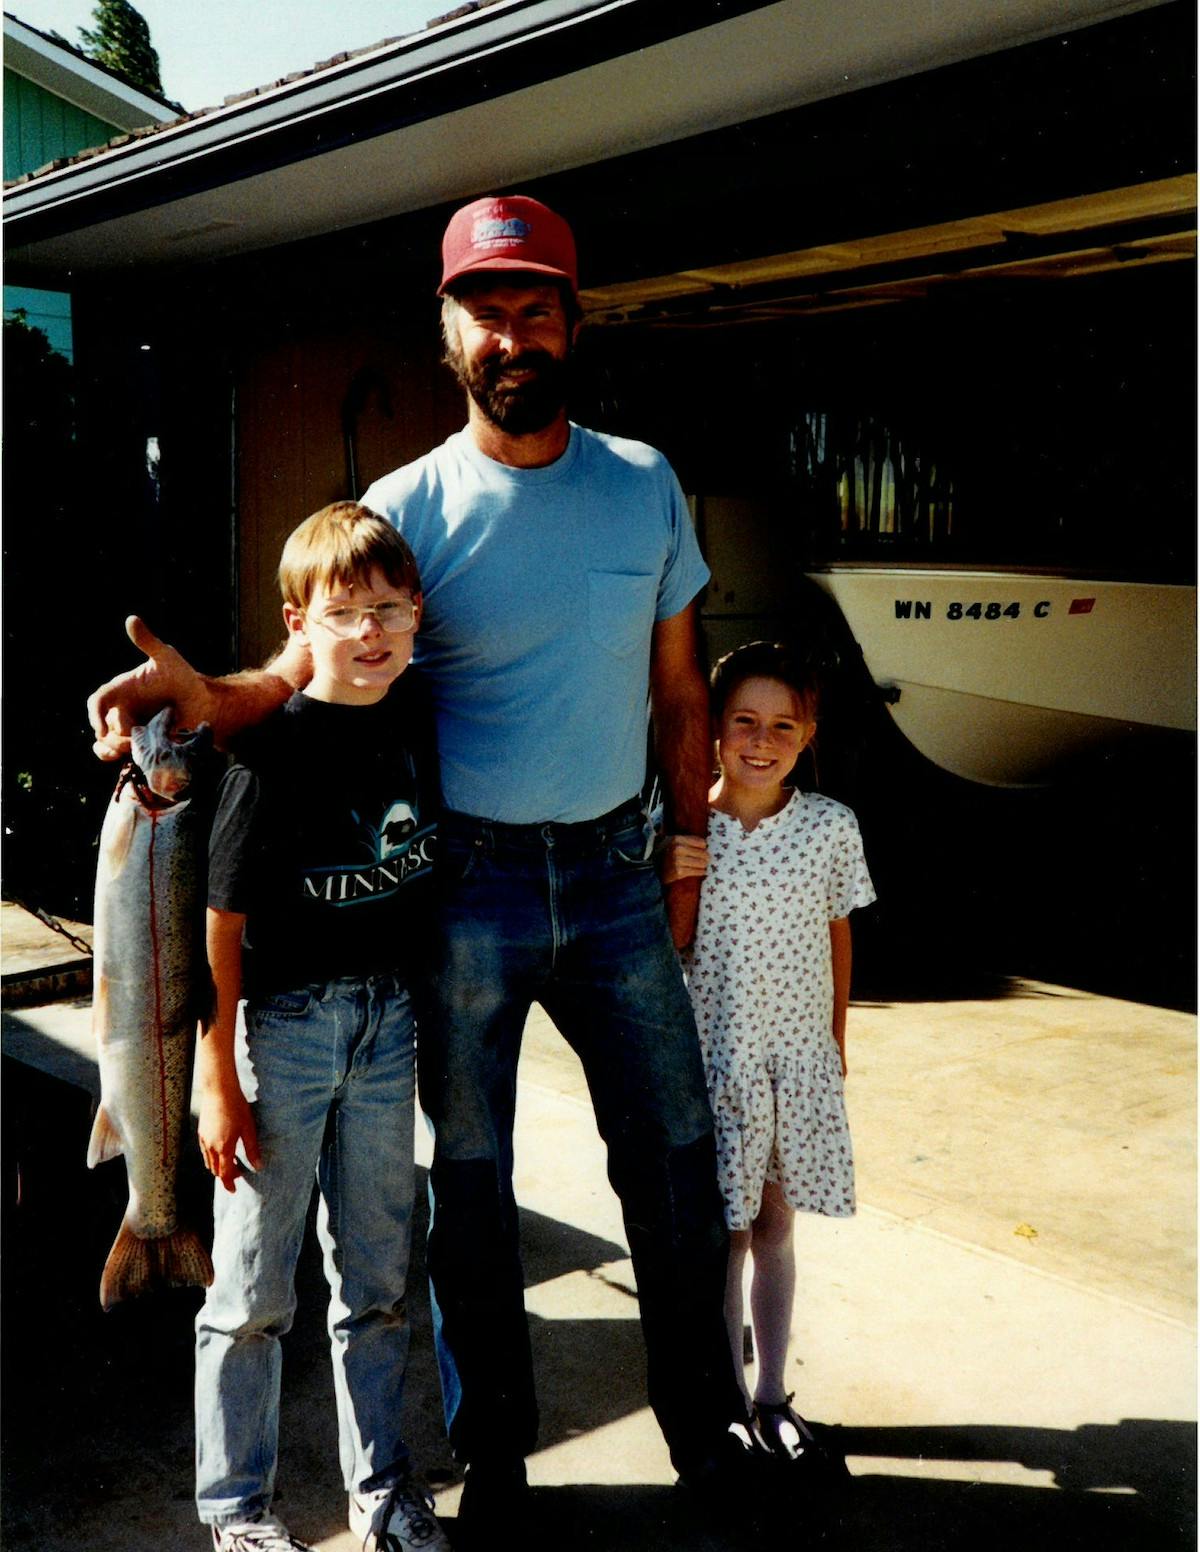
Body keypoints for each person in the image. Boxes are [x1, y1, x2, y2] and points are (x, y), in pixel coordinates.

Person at [87, 195, 762, 1535]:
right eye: (485, 313)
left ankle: (709, 1437)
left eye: (536, 311)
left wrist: (687, 862)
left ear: (572, 325)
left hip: (623, 874)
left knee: (677, 1160)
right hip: (468, 888)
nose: (512, 336)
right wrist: (197, 692)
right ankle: (496, 1456)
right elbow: (298, 675)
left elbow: (683, 698)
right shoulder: (402, 509)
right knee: (470, 1179)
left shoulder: (645, 482)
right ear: (449, 334)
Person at [193, 502, 450, 1552]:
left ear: (418, 613)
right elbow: (220, 925)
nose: (372, 631)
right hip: (286, 1030)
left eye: (390, 607)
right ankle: (238, 1510)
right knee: (252, 1285)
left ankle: (383, 1491)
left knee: (381, 1275)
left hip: (391, 1022)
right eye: (345, 612)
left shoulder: (422, 715)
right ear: (300, 621)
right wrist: (218, 1074)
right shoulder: (272, 751)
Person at [663, 640, 875, 1475]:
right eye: (744, 721)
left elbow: (839, 933)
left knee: (776, 1223)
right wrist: (667, 873)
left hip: (796, 1060)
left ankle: (773, 1394)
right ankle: (724, 1401)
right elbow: (666, 947)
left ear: (808, 732)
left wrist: (835, 1039)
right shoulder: (685, 827)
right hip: (716, 1063)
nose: (762, 740)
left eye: (783, 725)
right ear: (715, 729)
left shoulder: (830, 828)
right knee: (726, 1235)